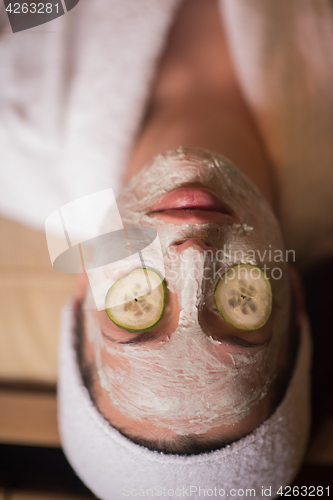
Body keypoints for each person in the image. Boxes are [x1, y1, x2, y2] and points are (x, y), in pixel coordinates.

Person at [1, 0, 332, 498]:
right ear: (295, 304)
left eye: (138, 306)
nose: (192, 255)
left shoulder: (14, 142)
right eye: (240, 308)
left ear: (84, 284)